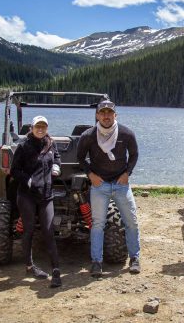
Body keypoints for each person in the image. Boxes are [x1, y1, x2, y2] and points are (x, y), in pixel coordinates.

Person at [77, 100, 140, 277]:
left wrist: (128, 173)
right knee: (97, 224)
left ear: (115, 115)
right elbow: (81, 158)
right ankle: (96, 262)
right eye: (102, 112)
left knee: (131, 222)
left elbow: (134, 154)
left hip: (121, 184)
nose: (106, 116)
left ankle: (135, 258)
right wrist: (91, 175)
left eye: (109, 113)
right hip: (100, 185)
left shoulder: (127, 133)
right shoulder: (88, 136)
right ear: (97, 115)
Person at [10, 115, 62, 287]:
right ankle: (29, 266)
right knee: (29, 230)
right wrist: (27, 180)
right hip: (27, 195)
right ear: (31, 128)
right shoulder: (24, 146)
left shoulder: (50, 143)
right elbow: (14, 170)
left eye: (43, 126)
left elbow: (57, 157)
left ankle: (56, 270)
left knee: (48, 231)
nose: (41, 129)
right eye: (37, 126)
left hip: (46, 195)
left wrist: (56, 166)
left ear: (47, 128)